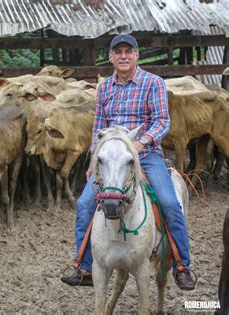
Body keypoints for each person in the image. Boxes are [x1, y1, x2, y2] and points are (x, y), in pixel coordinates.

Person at [60, 34, 196, 290]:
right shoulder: (105, 88)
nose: (123, 56)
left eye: (128, 51)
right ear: (111, 58)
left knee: (170, 202)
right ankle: (84, 266)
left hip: (145, 155)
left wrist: (140, 143)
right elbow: (99, 128)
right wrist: (93, 162)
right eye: (118, 52)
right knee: (85, 204)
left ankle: (181, 265)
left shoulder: (152, 83)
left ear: (136, 56)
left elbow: (162, 121)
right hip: (111, 159)